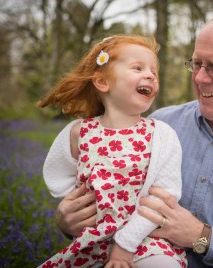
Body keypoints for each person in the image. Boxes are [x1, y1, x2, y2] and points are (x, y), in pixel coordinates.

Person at [49, 11, 213, 267]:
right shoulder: (159, 125)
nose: (199, 78)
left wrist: (202, 236)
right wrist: (67, 222)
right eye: (196, 64)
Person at [38, 35, 187, 268]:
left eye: (154, 72)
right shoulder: (79, 133)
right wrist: (73, 210)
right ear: (102, 82)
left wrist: (124, 246)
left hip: (144, 240)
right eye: (137, 68)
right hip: (92, 242)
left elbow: (163, 196)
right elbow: (57, 173)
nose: (150, 75)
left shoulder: (161, 135)